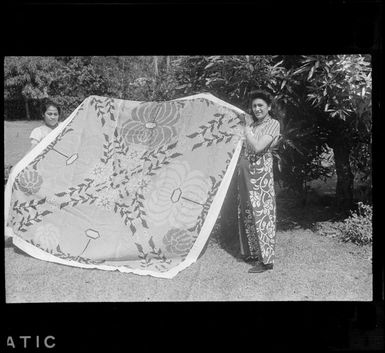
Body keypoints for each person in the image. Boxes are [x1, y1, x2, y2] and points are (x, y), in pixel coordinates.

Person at [237, 90, 280, 273]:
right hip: (246, 174)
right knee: (247, 211)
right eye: (254, 106)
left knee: (263, 214)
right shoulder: (253, 125)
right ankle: (253, 253)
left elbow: (257, 147)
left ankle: (267, 260)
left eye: (261, 105)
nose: (257, 109)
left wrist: (246, 130)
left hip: (260, 177)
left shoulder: (273, 124)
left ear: (269, 106)